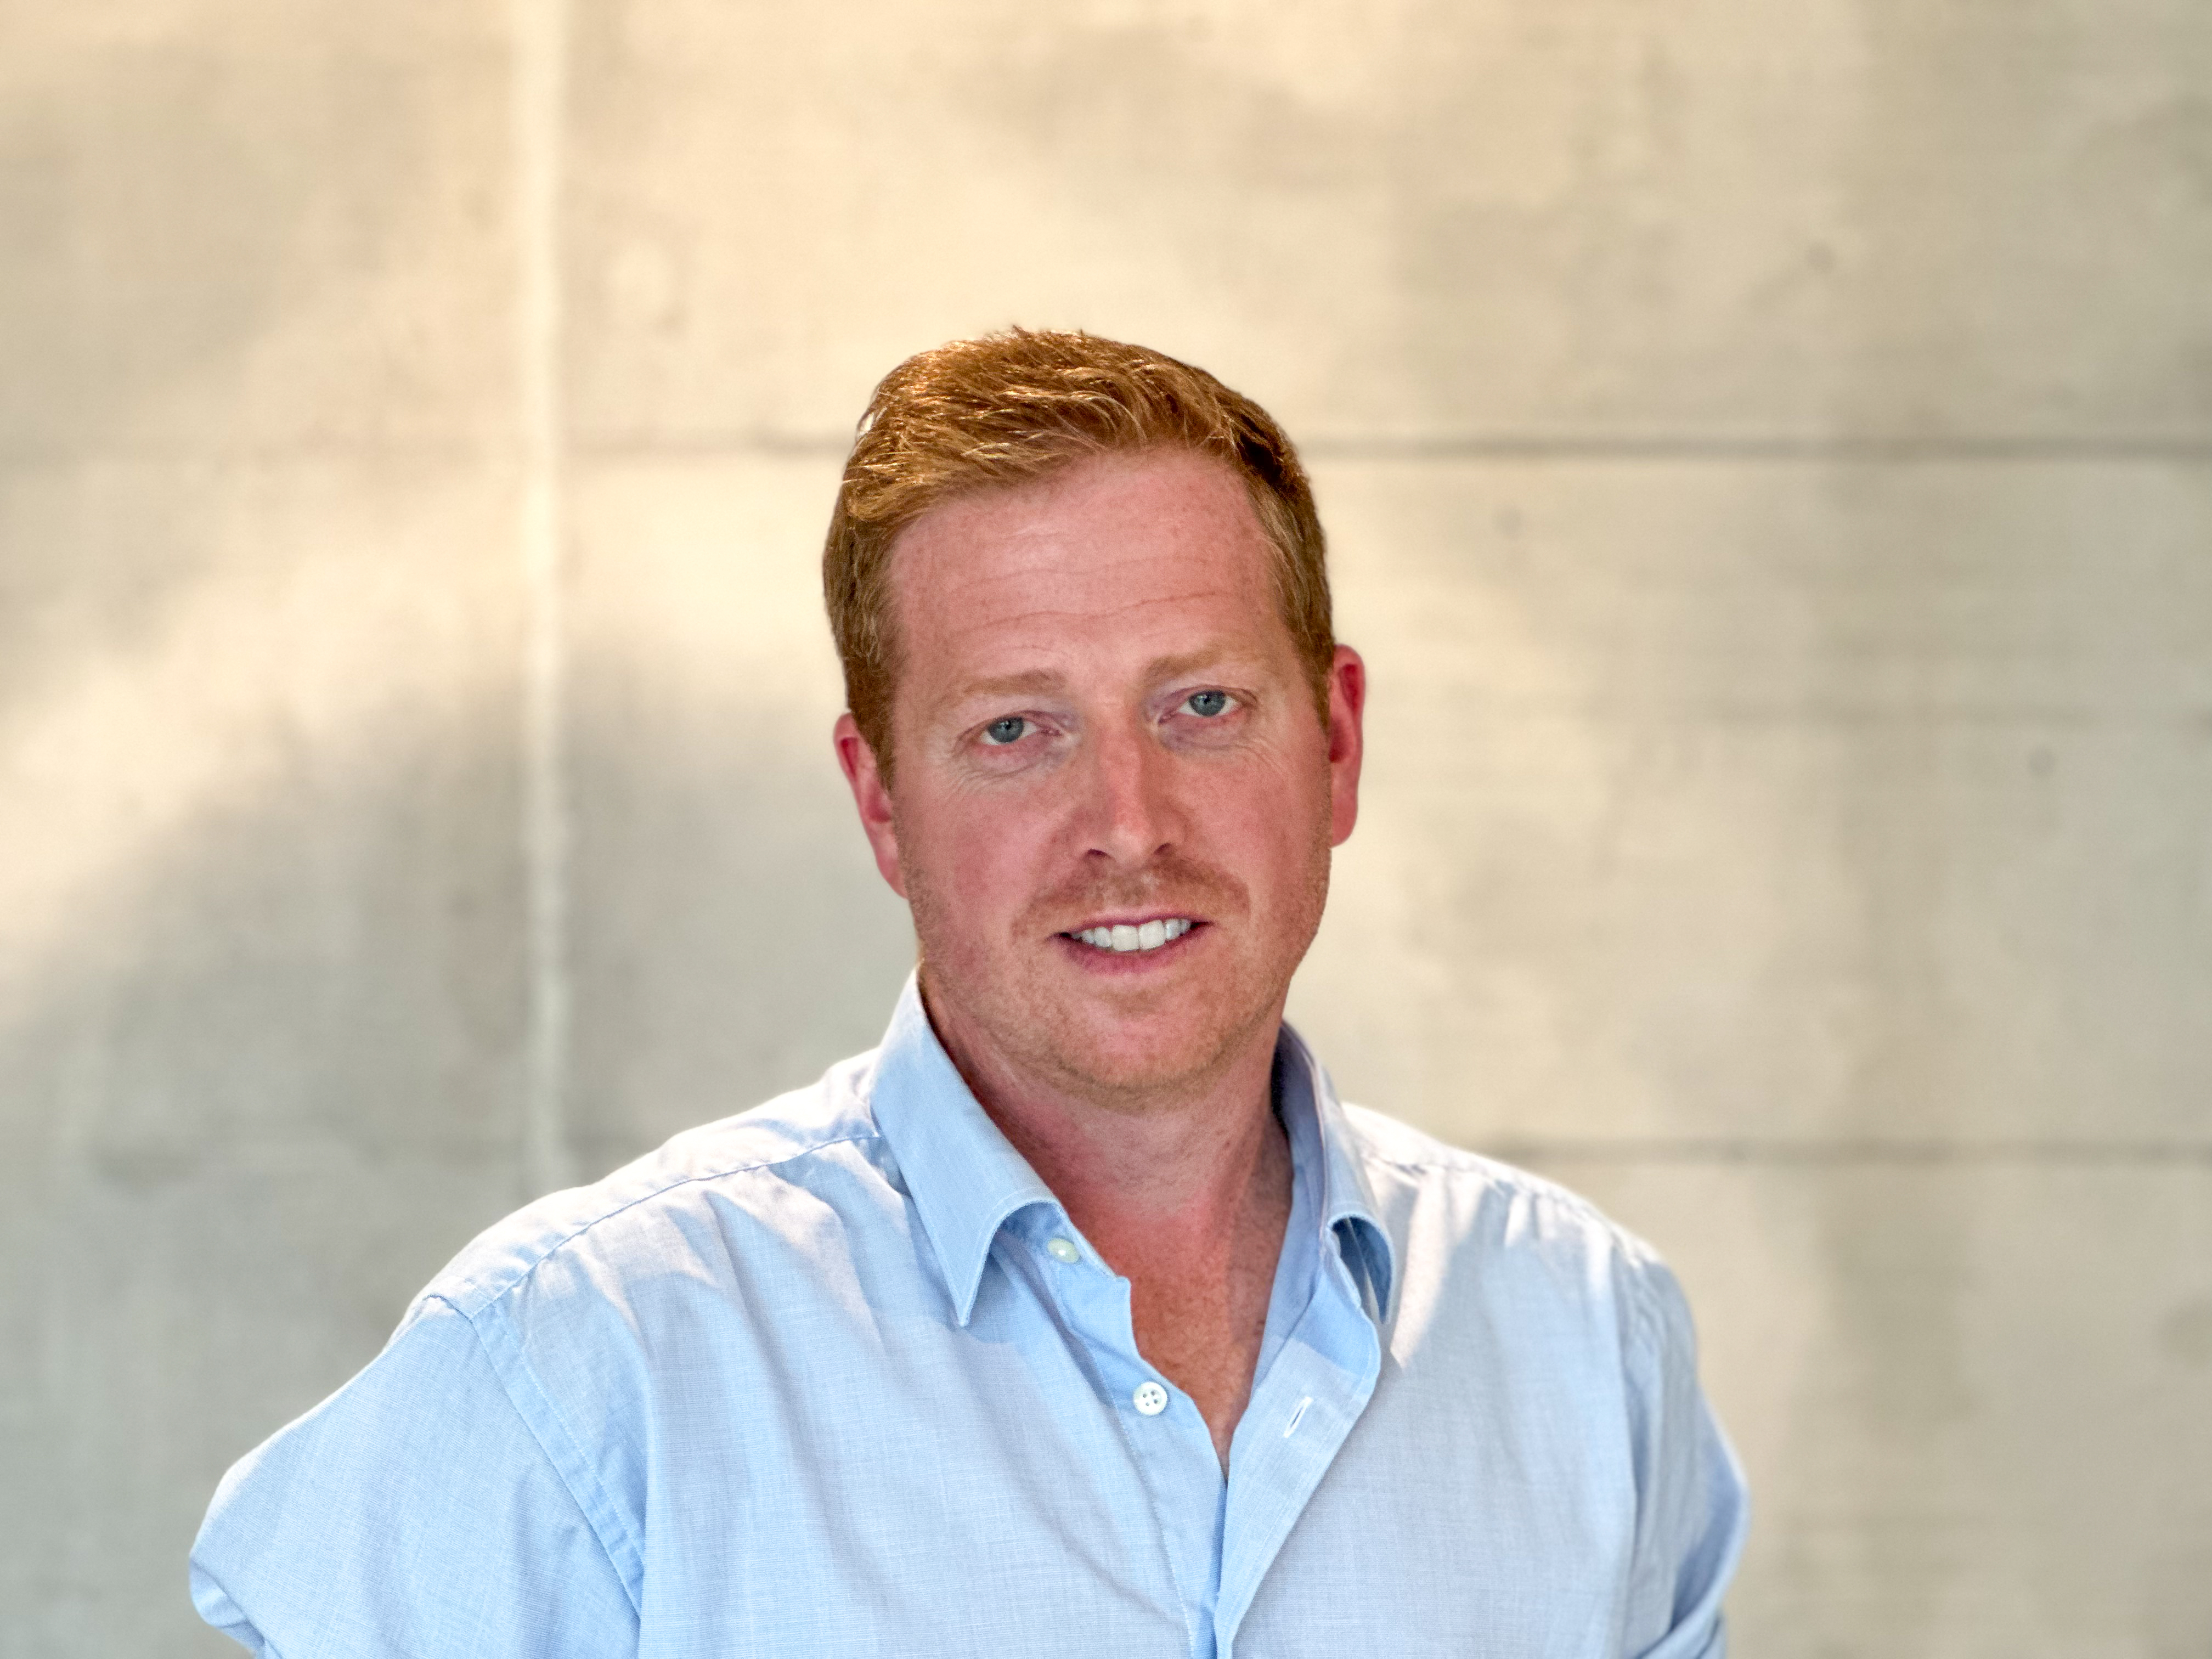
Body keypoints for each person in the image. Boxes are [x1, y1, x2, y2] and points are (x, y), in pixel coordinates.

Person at [190, 329, 1747, 1657]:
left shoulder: (1586, 1339)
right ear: (880, 803)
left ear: (1336, 744)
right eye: (1015, 731)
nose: (1128, 824)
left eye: (1203, 705)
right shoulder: (583, 1368)